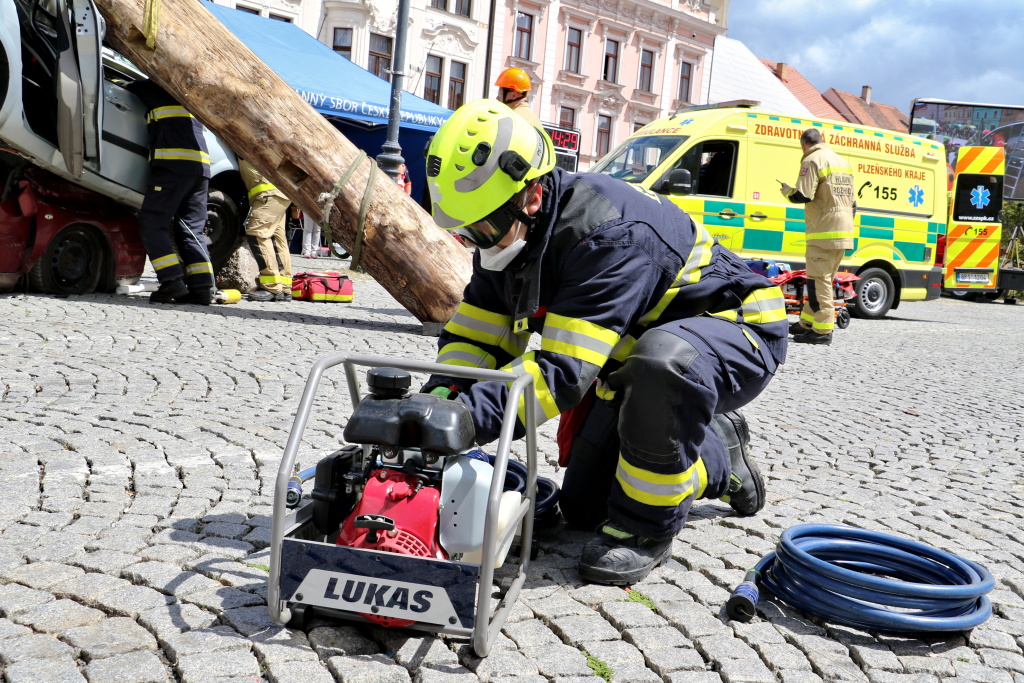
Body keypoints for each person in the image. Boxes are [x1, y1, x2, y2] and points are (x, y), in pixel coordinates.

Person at [422, 100, 788, 585]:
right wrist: (437, 402)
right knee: (584, 508)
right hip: (632, 357)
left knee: (665, 365)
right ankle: (718, 451)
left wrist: (468, 421)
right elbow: (478, 336)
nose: (476, 241)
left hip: (735, 330)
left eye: (482, 227)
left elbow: (561, 373)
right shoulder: (511, 234)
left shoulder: (606, 234)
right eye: (465, 231)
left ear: (531, 195)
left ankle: (645, 530)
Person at [126, 79, 215, 305]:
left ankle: (171, 280)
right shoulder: (191, 95)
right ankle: (203, 288)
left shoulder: (155, 86)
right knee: (191, 229)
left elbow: (128, 86)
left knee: (152, 221)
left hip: (172, 165)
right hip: (201, 169)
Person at [780, 128, 855, 345]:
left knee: (819, 282)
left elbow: (803, 195)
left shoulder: (812, 160)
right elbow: (853, 203)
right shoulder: (842, 162)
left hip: (823, 230)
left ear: (803, 144)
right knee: (818, 279)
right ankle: (806, 323)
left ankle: (822, 332)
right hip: (843, 230)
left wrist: (786, 190)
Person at [239, 159, 293, 302]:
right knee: (276, 237)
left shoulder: (244, 138)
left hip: (267, 194)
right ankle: (284, 286)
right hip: (280, 193)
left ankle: (271, 287)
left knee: (257, 234)